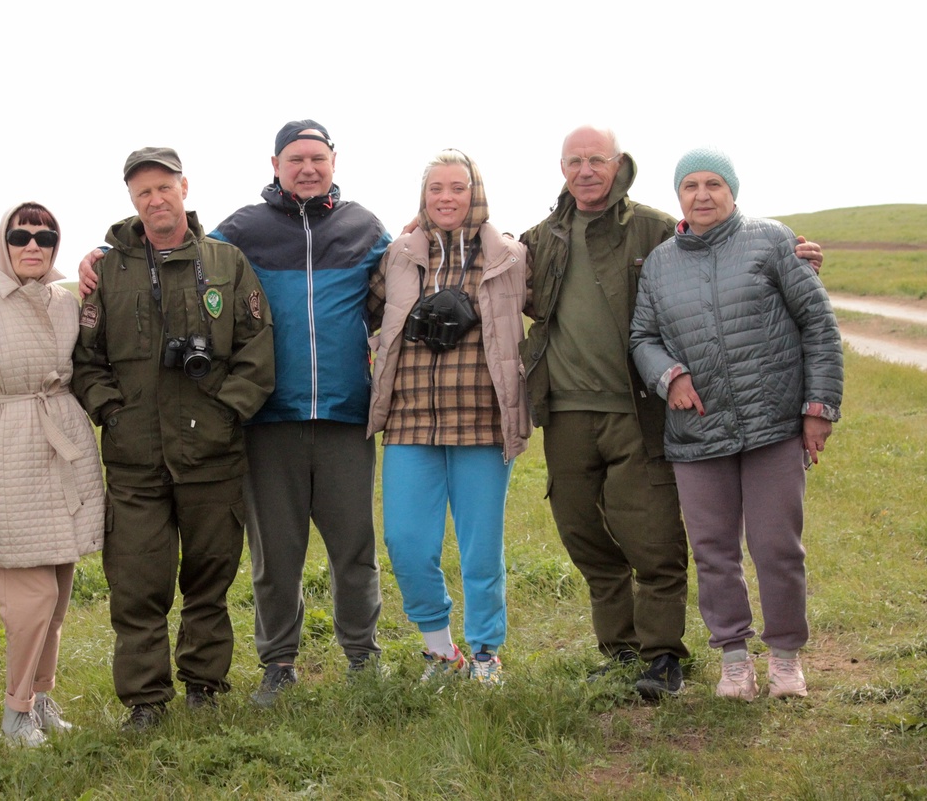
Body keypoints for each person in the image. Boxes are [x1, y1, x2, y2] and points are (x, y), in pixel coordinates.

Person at [82, 121, 388, 706]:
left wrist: (429, 224)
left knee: (354, 548)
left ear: (333, 161)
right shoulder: (243, 230)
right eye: (294, 158)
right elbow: (173, 251)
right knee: (275, 555)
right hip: (268, 421)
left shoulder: (364, 227)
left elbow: (400, 267)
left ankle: (362, 656)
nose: (306, 167)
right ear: (274, 164)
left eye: (316, 158)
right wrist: (101, 252)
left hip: (346, 414)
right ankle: (278, 664)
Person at [519, 125, 824, 700]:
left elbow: (719, 245)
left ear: (618, 164)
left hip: (641, 412)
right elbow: (491, 269)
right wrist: (417, 229)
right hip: (566, 413)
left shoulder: (656, 229)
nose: (586, 170)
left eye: (598, 160)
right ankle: (620, 651)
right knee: (585, 536)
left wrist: (795, 253)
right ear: (562, 168)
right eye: (575, 161)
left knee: (657, 540)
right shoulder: (540, 238)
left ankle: (664, 656)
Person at [73, 147, 275, 730]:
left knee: (210, 578)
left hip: (211, 453)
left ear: (184, 187)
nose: (155, 199)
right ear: (133, 201)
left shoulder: (226, 262)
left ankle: (204, 686)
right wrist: (111, 410)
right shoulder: (108, 270)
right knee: (137, 584)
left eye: (164, 187)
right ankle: (145, 700)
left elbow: (257, 348)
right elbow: (86, 361)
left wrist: (227, 415)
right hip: (135, 458)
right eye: (143, 193)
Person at [630, 147, 842, 700]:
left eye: (713, 185)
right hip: (697, 436)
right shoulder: (659, 263)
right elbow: (642, 339)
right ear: (678, 196)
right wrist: (668, 376)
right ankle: (733, 660)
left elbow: (818, 325)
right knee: (713, 552)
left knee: (777, 547)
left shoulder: (772, 241)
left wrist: (818, 410)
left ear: (732, 190)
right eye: (690, 186)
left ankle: (786, 659)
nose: (702, 195)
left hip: (773, 426)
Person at [0, 202, 105, 747]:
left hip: (63, 449)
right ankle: (14, 713)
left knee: (56, 597)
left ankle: (40, 696)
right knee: (27, 603)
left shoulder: (66, 303)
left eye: (45, 236)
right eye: (21, 235)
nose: (32, 246)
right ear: (3, 242)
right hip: (4, 456)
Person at [367, 149, 529, 685]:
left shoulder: (509, 256)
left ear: (475, 193)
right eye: (436, 188)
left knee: (481, 550)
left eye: (457, 187)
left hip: (482, 422)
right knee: (406, 543)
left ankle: (486, 652)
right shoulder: (398, 256)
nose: (446, 198)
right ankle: (440, 650)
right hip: (411, 423)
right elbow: (360, 305)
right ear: (423, 196)